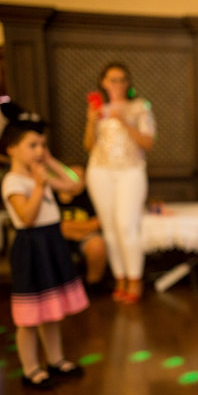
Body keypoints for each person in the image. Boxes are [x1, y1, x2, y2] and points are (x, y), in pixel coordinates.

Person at [0, 114, 89, 388]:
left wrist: (51, 163)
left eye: (42, 145)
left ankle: (56, 359)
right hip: (31, 247)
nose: (39, 150)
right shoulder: (13, 181)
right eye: (32, 145)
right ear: (12, 149)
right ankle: (31, 369)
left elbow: (75, 184)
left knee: (51, 310)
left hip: (51, 241)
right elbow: (27, 217)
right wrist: (40, 186)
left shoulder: (41, 173)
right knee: (29, 316)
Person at [83, 62, 155, 303]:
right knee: (110, 227)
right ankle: (120, 278)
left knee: (126, 225)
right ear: (104, 82)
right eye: (113, 80)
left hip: (130, 170)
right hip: (99, 170)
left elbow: (148, 142)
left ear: (128, 82)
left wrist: (124, 121)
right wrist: (91, 121)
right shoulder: (98, 109)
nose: (118, 84)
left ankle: (135, 279)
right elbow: (89, 146)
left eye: (122, 79)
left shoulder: (139, 106)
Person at [55, 165, 107, 288]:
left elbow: (97, 223)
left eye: (80, 178)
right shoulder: (51, 196)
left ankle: (92, 285)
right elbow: (53, 226)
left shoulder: (91, 197)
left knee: (97, 245)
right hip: (57, 239)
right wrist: (79, 228)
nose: (75, 181)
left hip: (85, 238)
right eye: (72, 176)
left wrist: (73, 230)